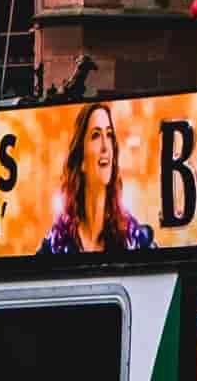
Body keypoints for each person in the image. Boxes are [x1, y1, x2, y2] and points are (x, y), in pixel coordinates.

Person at [45, 95, 150, 259]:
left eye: (109, 135)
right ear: (81, 161)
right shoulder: (56, 243)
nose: (105, 146)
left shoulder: (134, 238)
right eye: (95, 135)